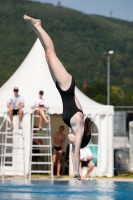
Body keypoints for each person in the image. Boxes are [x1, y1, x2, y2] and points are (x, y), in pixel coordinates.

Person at [23, 15, 93, 180]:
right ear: (79, 140)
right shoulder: (79, 127)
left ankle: (36, 29)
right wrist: (77, 172)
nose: (71, 141)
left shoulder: (74, 125)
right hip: (66, 85)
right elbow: (76, 154)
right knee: (51, 53)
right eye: (74, 142)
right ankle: (38, 25)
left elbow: (77, 105)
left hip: (62, 88)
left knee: (47, 56)